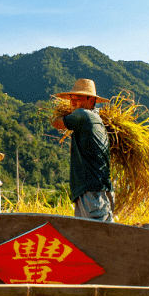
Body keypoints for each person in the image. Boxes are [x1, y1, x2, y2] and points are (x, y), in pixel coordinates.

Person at [50, 79, 114, 221]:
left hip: (91, 190)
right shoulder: (96, 118)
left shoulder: (82, 115)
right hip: (96, 189)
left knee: (98, 235)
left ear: (90, 100)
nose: (73, 102)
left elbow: (56, 123)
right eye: (72, 98)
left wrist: (65, 114)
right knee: (90, 235)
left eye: (78, 98)